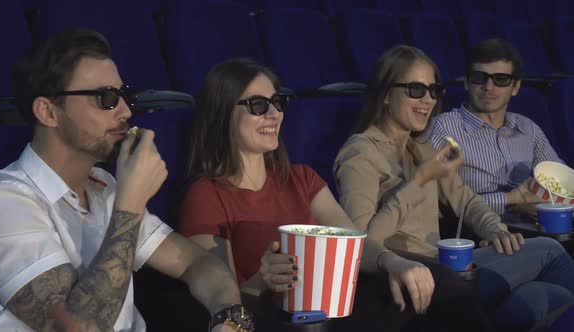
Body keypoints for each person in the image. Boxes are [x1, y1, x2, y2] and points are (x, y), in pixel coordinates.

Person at [178, 58, 495, 332]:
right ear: (222, 114)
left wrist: (392, 261)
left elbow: (354, 243)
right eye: (258, 106)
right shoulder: (206, 195)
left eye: (278, 102)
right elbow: (220, 295)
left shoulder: (301, 178)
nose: (274, 114)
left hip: (339, 309)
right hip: (278, 319)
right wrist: (263, 281)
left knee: (440, 286)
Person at [0, 29, 249, 332]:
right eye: (106, 98)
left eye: (124, 95)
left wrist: (230, 320)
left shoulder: (104, 186)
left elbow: (199, 264)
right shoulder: (1, 202)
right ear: (48, 112)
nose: (125, 110)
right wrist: (131, 204)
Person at [333, 44, 574, 330]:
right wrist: (419, 181)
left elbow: (466, 200)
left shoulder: (420, 146)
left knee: (542, 296)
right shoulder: (360, 153)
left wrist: (495, 230)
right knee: (549, 250)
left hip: (449, 266)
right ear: (386, 94)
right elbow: (362, 244)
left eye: (433, 90)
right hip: (414, 277)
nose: (427, 100)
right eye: (415, 89)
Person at [428, 38, 563, 223]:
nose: (488, 87)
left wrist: (541, 202)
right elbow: (437, 206)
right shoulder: (443, 129)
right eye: (479, 78)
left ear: (515, 87)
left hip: (533, 230)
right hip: (473, 237)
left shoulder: (528, 129)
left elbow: (562, 182)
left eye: (500, 79)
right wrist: (509, 201)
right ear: (467, 82)